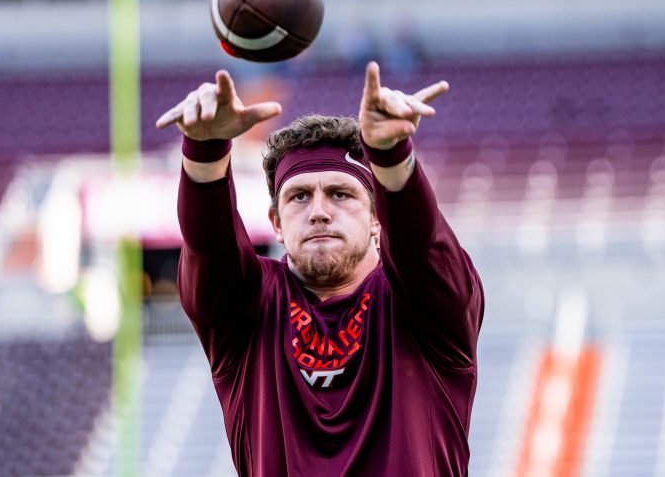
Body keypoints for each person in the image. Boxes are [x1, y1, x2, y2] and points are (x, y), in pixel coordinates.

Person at [156, 62, 484, 477]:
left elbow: (423, 245)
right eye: (298, 197)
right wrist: (204, 152)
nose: (319, 212)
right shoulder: (250, 309)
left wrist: (391, 155)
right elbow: (209, 246)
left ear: (378, 218)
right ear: (275, 222)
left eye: (340, 193)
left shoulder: (424, 306)